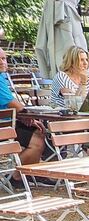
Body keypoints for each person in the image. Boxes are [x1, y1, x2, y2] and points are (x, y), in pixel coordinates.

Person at [0, 48, 45, 183]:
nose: (3, 62)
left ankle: (31, 171)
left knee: (39, 131)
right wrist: (30, 118)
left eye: (4, 58)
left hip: (7, 123)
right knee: (38, 137)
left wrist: (25, 117)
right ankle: (17, 176)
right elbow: (14, 104)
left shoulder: (2, 77)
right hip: (4, 128)